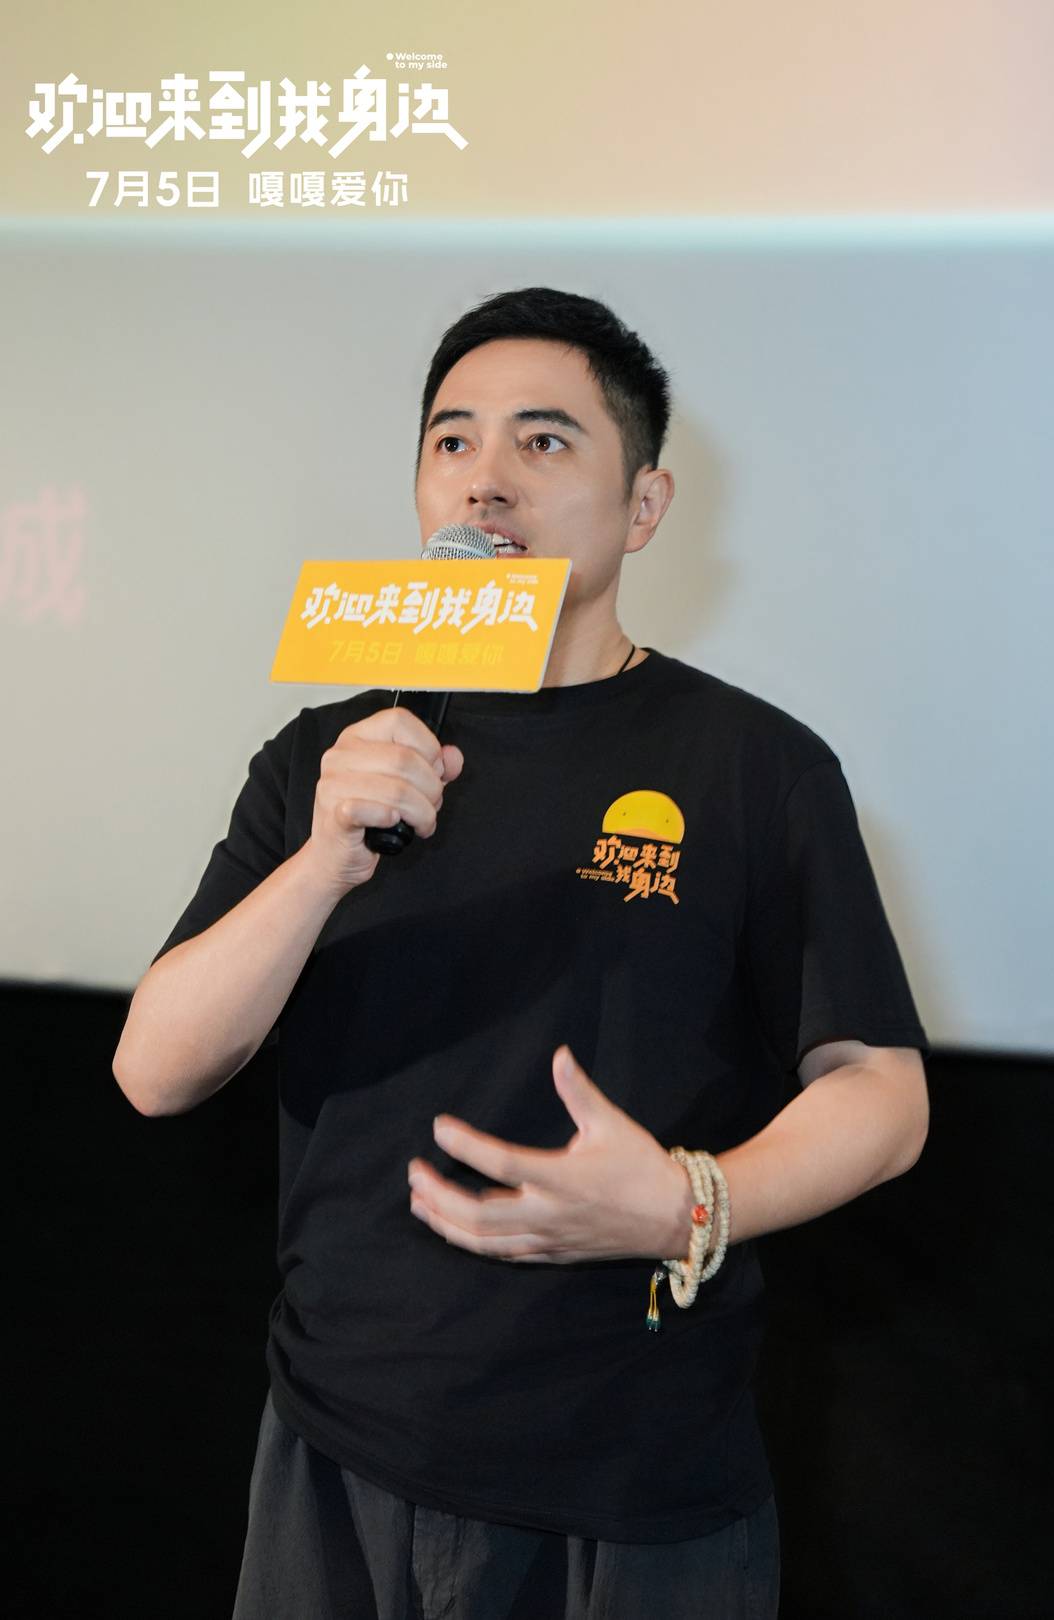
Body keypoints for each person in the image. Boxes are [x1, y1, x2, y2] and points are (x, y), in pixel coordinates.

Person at [113, 286, 930, 1619]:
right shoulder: (329, 757)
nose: (485, 477)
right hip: (338, 1446)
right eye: (453, 440)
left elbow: (881, 1092)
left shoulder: (753, 765)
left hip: (631, 1476)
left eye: (544, 441)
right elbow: (155, 1069)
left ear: (644, 505)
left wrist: (687, 1203)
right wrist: (324, 858)